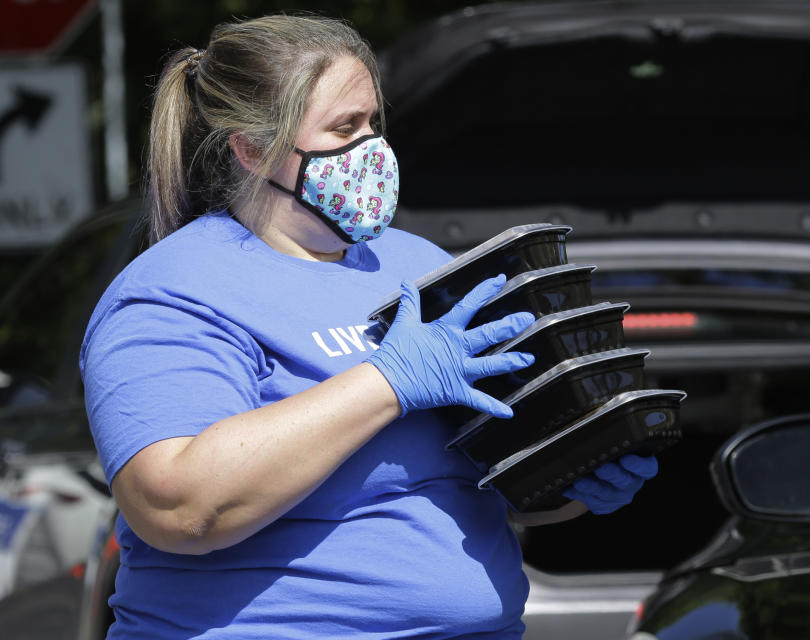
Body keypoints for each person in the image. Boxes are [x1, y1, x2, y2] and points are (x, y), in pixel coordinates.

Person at [79, 14, 659, 639]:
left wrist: (575, 482)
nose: (371, 149)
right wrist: (386, 383)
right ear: (251, 149)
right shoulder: (175, 291)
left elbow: (491, 482)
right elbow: (177, 505)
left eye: (373, 123)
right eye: (343, 128)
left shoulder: (420, 265)